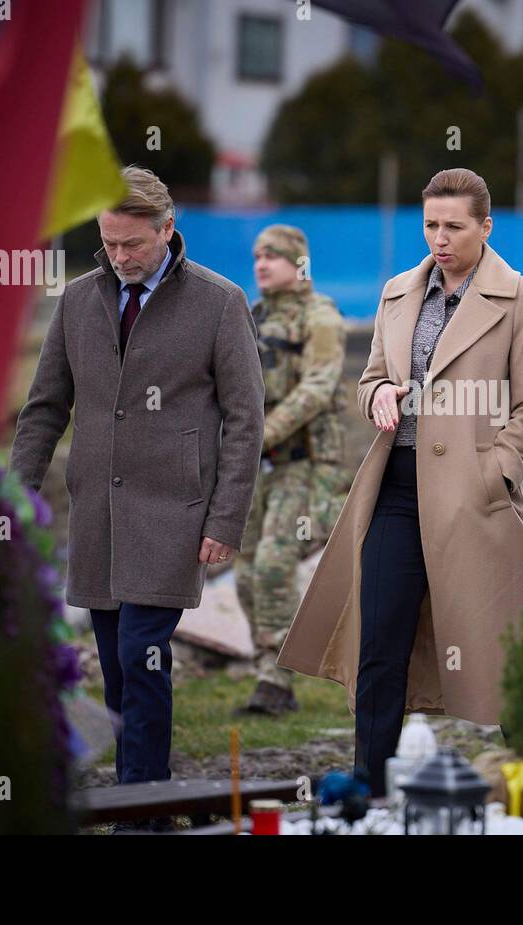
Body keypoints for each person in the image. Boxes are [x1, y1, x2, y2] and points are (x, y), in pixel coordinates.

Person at [277, 168, 523, 796]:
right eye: (430, 224)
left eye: (454, 226)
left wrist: (496, 471)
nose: (439, 238)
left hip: (475, 499)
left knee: (504, 643)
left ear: (486, 227)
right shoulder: (398, 291)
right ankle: (369, 789)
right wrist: (377, 395)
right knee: (379, 642)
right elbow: (372, 374)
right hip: (395, 491)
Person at [10, 167, 264, 815]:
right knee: (119, 669)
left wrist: (226, 518)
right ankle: (148, 791)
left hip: (173, 516)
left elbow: (245, 419)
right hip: (96, 516)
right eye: (109, 243)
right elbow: (43, 409)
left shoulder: (219, 302)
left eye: (133, 245)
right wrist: (11, 502)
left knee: (140, 655)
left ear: (168, 230)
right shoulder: (76, 301)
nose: (119, 258)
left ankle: (142, 811)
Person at [234, 224, 351, 716]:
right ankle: (267, 663)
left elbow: (318, 389)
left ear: (298, 264)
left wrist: (259, 432)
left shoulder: (320, 317)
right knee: (242, 572)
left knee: (274, 564)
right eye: (258, 256)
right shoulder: (251, 317)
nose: (262, 264)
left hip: (304, 464)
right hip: (257, 465)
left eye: (274, 257)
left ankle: (276, 682)